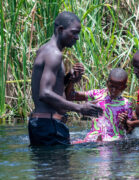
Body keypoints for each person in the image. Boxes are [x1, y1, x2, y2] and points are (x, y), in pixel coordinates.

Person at [28, 11, 103, 146]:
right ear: (61, 29)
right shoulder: (54, 54)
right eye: (74, 32)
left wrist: (69, 78)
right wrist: (80, 108)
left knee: (46, 167)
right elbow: (44, 93)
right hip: (50, 125)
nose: (77, 37)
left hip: (43, 125)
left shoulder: (46, 50)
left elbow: (51, 88)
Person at [65, 68, 133, 143]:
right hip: (92, 139)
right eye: (111, 86)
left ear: (124, 87)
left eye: (118, 88)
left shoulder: (126, 104)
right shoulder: (97, 95)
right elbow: (69, 96)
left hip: (113, 141)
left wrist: (124, 123)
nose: (113, 90)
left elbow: (129, 131)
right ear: (107, 83)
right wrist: (72, 81)